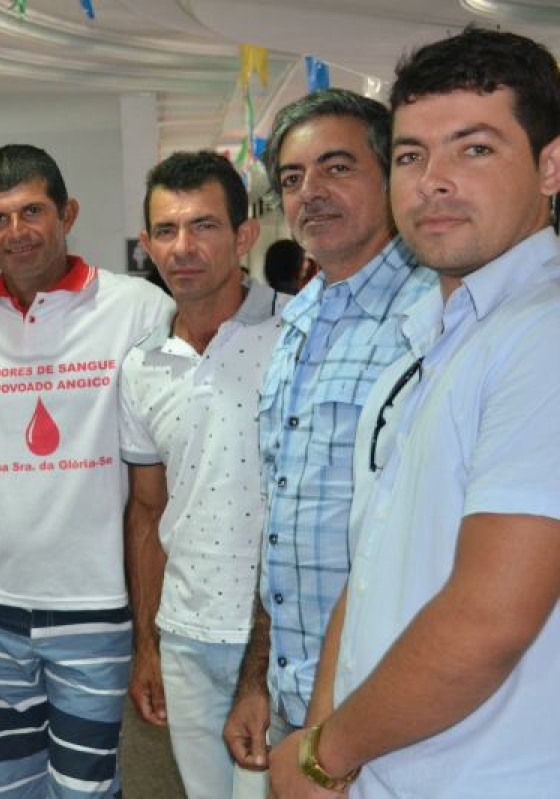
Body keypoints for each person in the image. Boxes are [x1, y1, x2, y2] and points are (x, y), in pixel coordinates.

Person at [270, 27, 560, 799]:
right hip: (389, 764)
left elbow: (490, 620)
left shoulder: (544, 335)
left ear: (551, 166)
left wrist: (325, 753)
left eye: (475, 149)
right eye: (410, 155)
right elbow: (371, 564)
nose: (433, 181)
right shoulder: (432, 338)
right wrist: (324, 738)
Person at [223, 89, 436, 776]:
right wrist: (258, 679)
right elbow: (284, 518)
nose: (310, 192)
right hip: (297, 697)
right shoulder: (299, 321)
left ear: (392, 174)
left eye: (337, 167)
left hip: (394, 710)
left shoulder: (434, 317)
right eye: (292, 178)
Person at [0, 144, 170, 797]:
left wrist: (151, 627)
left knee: (84, 787)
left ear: (67, 213)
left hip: (93, 605)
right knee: (5, 787)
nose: (16, 232)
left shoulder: (138, 307)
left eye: (32, 211)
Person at [120, 151, 281, 799]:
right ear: (147, 244)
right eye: (166, 230)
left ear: (245, 236)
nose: (182, 247)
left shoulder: (298, 336)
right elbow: (147, 511)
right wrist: (148, 644)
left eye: (204, 225)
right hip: (185, 635)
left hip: (282, 637)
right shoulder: (143, 365)